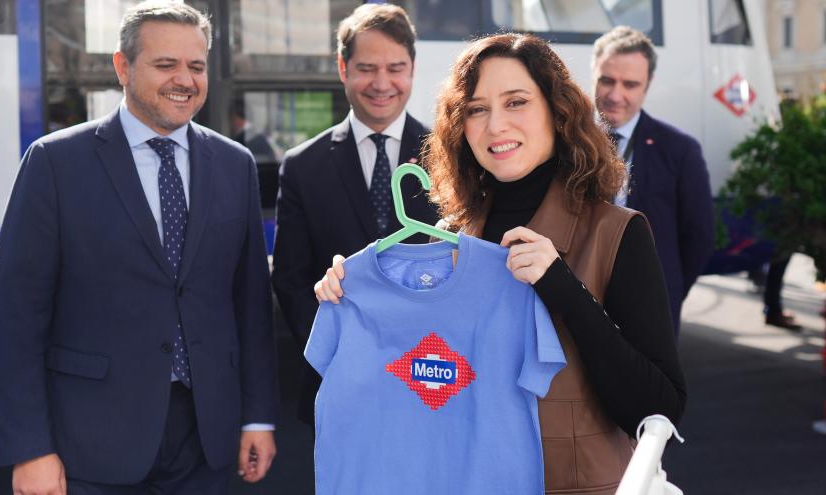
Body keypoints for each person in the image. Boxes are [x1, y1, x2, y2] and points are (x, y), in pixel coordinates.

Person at [315, 33, 686, 493]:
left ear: (557, 110)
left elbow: (660, 408)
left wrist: (564, 289)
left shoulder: (616, 233)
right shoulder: (453, 239)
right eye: (476, 109)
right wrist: (349, 294)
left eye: (516, 102)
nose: (495, 126)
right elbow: (432, 380)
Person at [0, 2, 279, 493]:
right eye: (166, 64)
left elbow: (249, 305)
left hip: (207, 440)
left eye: (196, 66)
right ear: (122, 68)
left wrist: (258, 417)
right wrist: (30, 448)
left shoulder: (235, 164)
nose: (184, 80)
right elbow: (17, 319)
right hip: (92, 443)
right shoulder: (55, 164)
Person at [271, 3, 438, 426]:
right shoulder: (303, 165)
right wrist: (340, 353)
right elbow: (291, 279)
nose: (382, 83)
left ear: (412, 69)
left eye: (395, 67)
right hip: (339, 384)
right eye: (367, 68)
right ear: (343, 68)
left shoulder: (451, 158)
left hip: (434, 377)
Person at [592, 26, 715, 334]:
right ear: (594, 73)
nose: (615, 95)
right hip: (582, 300)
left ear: (647, 86)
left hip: (651, 310)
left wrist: (667, 291)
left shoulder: (680, 150)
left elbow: (699, 236)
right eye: (607, 80)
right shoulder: (569, 143)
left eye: (630, 84)